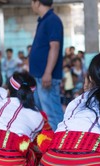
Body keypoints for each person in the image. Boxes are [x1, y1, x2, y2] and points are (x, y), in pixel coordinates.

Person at [29, 0, 64, 131]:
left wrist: (48, 72)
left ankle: (61, 147)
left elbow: (54, 47)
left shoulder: (52, 20)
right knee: (42, 115)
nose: (31, 5)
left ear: (37, 2)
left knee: (53, 114)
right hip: (39, 76)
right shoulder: (43, 21)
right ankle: (48, 144)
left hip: (46, 76)